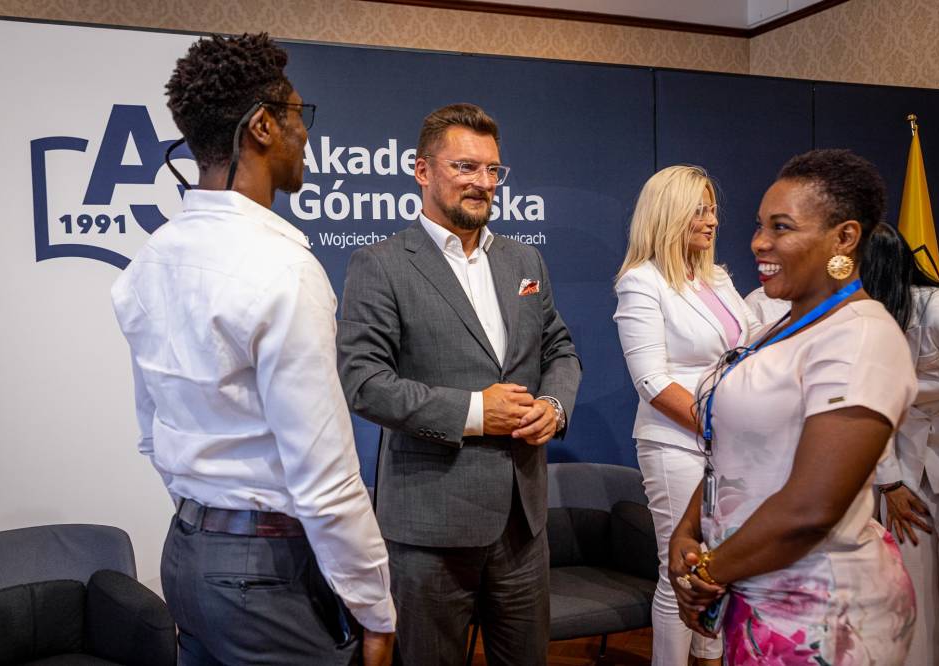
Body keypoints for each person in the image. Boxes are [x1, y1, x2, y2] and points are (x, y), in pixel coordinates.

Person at [111, 34, 396, 666]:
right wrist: (375, 608)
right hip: (264, 575)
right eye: (298, 115)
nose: (305, 134)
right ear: (263, 127)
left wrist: (209, 524)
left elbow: (152, 436)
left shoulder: (148, 263)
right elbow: (325, 478)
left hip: (187, 556)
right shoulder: (283, 270)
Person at [337, 103, 581, 666]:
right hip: (430, 528)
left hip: (523, 524)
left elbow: (560, 350)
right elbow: (364, 381)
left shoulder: (524, 259)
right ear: (422, 171)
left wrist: (553, 404)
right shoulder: (380, 264)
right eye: (465, 167)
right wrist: (475, 411)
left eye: (493, 169)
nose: (483, 183)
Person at [670, 149, 918, 664]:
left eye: (781, 227)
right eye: (760, 225)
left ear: (844, 238)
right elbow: (737, 451)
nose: (759, 241)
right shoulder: (780, 327)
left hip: (823, 614)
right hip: (754, 595)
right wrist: (688, 530)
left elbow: (811, 507)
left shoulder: (861, 336)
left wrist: (707, 572)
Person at [613, 164, 757, 665]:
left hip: (728, 447)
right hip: (676, 443)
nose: (713, 220)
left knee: (718, 565)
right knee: (680, 567)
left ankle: (710, 658)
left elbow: (752, 342)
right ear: (669, 214)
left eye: (713, 209)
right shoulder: (641, 282)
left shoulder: (717, 277)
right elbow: (652, 382)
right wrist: (719, 429)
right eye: (699, 210)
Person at [863, 222, 939, 666]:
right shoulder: (865, 324)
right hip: (904, 463)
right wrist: (891, 483)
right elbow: (870, 408)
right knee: (909, 589)